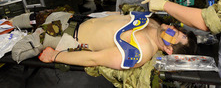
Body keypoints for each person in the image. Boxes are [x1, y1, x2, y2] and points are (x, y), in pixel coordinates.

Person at [36, 13, 197, 69]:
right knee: (26, 19)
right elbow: (115, 17)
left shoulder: (140, 51)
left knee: (18, 44)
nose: (175, 29)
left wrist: (55, 56)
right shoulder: (152, 21)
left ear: (169, 50)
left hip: (61, 37)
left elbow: (94, 59)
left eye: (178, 36)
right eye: (180, 30)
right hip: (74, 19)